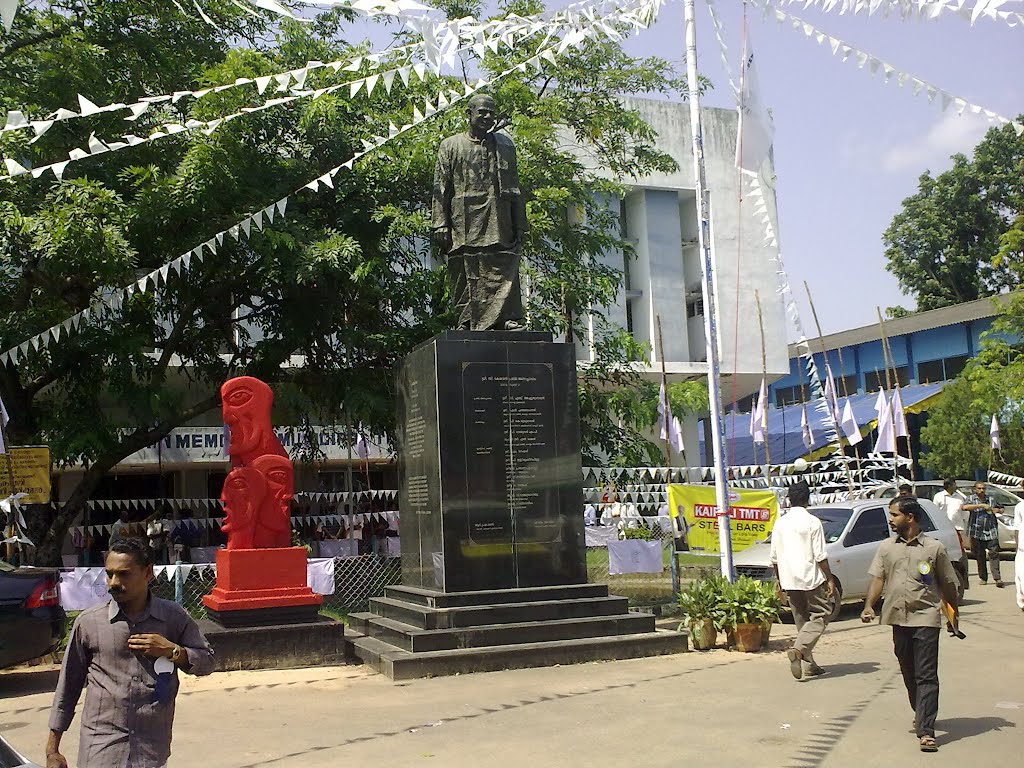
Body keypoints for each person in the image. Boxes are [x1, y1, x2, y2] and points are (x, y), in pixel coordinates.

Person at [46, 538, 214, 768]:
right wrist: (52, 749)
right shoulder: (89, 623)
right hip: (101, 749)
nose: (113, 582)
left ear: (148, 573)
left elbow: (208, 662)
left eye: (123, 574)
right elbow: (68, 686)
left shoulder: (173, 618)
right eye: (109, 574)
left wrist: (173, 651)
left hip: (151, 749)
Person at [860, 497, 960, 753]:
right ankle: (921, 711)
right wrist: (869, 605)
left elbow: (948, 584)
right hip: (896, 618)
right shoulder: (885, 548)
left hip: (926, 618)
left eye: (894, 515)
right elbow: (878, 578)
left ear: (910, 518)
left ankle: (927, 731)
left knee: (926, 674)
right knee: (908, 670)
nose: (891, 520)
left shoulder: (934, 548)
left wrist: (953, 615)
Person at [432, 93, 529, 331]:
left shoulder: (505, 145)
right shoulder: (451, 145)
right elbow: (440, 187)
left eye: (491, 113)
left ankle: (506, 318)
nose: (487, 117)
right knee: (464, 269)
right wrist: (439, 223)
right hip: (463, 220)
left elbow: (515, 187)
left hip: (499, 217)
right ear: (469, 114)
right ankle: (466, 320)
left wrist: (520, 224)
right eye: (482, 112)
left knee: (502, 266)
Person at [769, 481, 835, 681]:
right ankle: (798, 650)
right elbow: (820, 555)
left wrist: (779, 581)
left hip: (789, 579)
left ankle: (809, 664)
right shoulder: (812, 522)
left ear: (789, 498)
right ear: (808, 499)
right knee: (821, 615)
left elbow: (774, 557)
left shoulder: (780, 523)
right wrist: (829, 578)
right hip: (810, 578)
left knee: (802, 622)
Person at [962, 481, 1003, 587]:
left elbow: (1001, 508)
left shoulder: (991, 499)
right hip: (977, 532)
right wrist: (981, 505)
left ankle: (997, 578)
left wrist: (996, 510)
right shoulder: (971, 499)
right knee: (980, 555)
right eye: (979, 488)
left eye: (983, 488)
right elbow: (964, 507)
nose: (982, 490)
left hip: (991, 530)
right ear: (975, 489)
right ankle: (983, 577)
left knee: (994, 554)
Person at [1014, 479, 1024, 613]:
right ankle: (1022, 602)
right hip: (1022, 548)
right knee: (1021, 577)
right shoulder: (1020, 507)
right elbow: (1016, 528)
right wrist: (1017, 546)